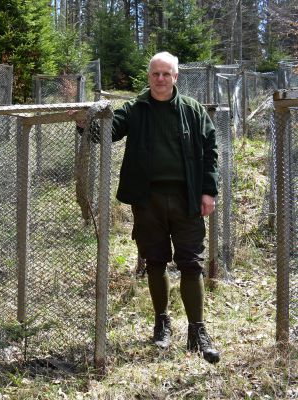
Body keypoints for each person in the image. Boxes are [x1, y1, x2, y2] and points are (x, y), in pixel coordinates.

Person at [98, 52, 220, 363]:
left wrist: (208, 191)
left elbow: (210, 151)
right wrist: (87, 124)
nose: (161, 79)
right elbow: (109, 131)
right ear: (149, 77)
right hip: (148, 199)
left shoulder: (193, 111)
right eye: (156, 74)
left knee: (191, 263)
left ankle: (197, 330)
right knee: (155, 261)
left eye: (167, 74)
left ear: (176, 77)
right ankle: (162, 322)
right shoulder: (135, 110)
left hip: (188, 198)